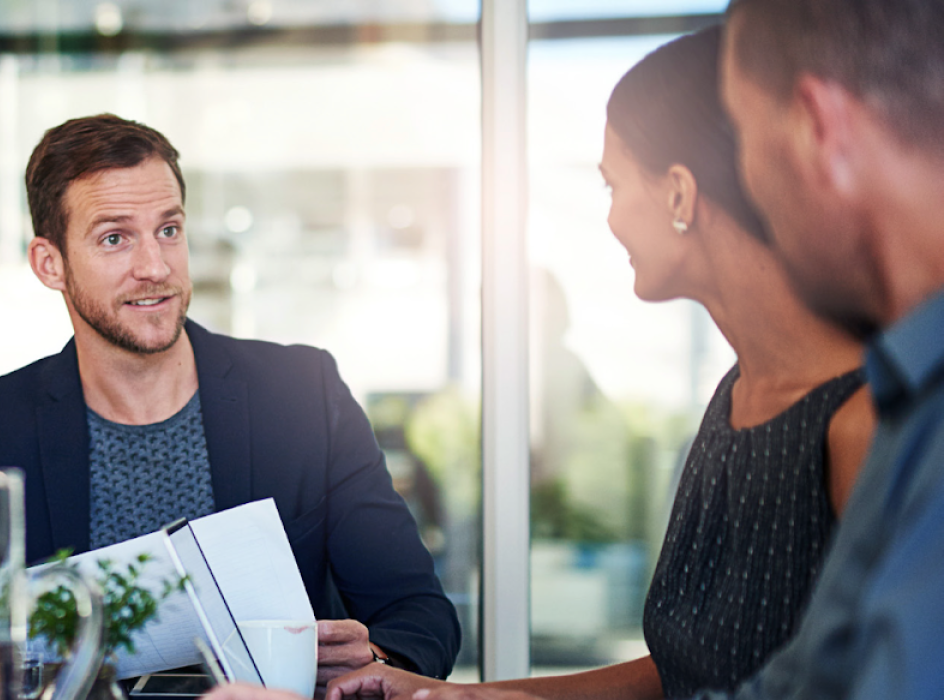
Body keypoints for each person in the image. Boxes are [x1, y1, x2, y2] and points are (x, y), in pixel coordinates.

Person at [320, 25, 876, 700]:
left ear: (679, 195)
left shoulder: (864, 417)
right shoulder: (739, 394)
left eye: (613, 185)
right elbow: (685, 673)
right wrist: (456, 694)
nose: (610, 220)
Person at [0, 114, 461, 683]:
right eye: (115, 238)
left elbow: (419, 616)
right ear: (50, 263)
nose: (155, 267)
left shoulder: (302, 394)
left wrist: (377, 662)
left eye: (168, 229)